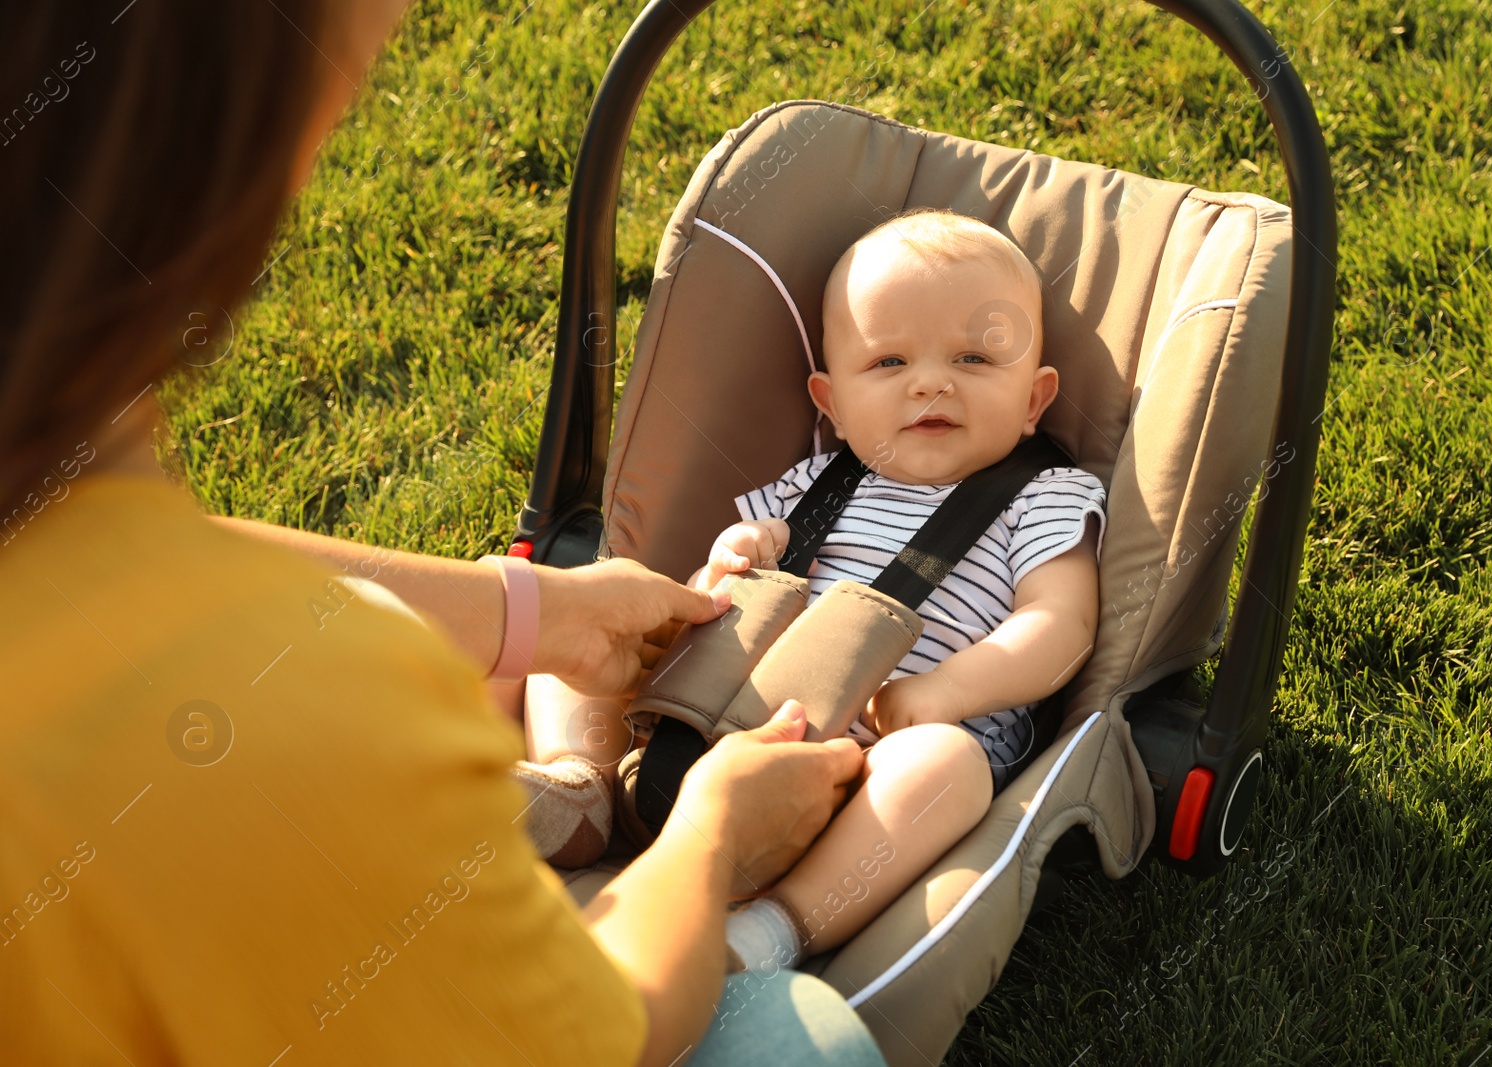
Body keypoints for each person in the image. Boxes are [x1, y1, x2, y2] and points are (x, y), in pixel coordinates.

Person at [0, 3, 882, 1065]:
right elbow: (608, 1030)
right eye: (332, 116)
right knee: (802, 1042)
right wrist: (712, 836)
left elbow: (109, 557)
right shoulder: (302, 715)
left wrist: (534, 609)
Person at [520, 211, 1104, 972]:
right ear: (830, 402)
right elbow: (710, 606)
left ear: (1034, 399)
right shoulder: (811, 485)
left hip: (864, 767)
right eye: (890, 363)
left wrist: (944, 692)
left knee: (948, 770)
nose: (932, 381)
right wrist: (729, 559)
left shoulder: (1044, 495)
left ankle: (771, 928)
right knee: (578, 607)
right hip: (697, 722)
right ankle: (583, 789)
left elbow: (1063, 623)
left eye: (973, 357)